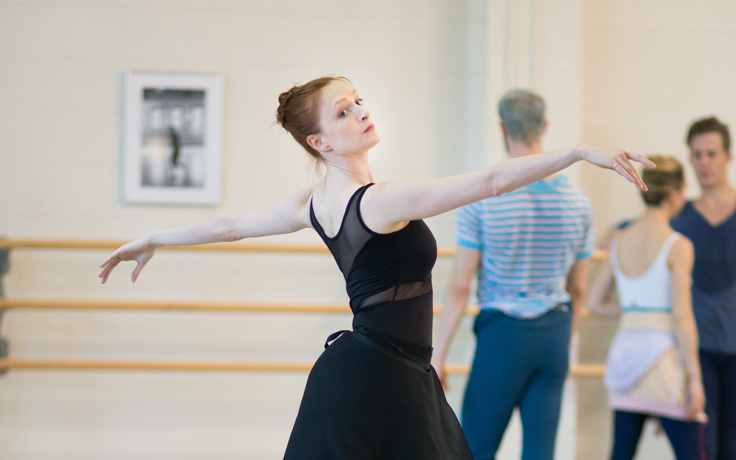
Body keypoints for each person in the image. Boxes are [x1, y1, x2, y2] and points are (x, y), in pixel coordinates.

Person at [98, 77, 652, 460]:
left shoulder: (313, 203)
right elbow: (489, 183)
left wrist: (154, 238)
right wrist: (577, 152)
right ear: (319, 141)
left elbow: (229, 227)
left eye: (358, 100)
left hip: (379, 367)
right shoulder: (382, 201)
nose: (361, 111)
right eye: (343, 111)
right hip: (383, 372)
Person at [432, 89, 597, 460]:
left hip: (502, 335)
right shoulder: (579, 204)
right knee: (540, 453)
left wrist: (438, 355)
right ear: (545, 127)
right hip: (554, 335)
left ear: (502, 128)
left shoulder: (481, 198)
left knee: (474, 449)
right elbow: (579, 289)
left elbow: (460, 287)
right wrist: (565, 343)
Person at [587, 155, 707, 460]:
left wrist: (635, 314)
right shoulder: (678, 245)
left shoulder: (619, 240)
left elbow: (594, 302)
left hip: (625, 359)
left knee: (621, 453)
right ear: (675, 195)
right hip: (664, 361)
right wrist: (695, 378)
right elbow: (682, 315)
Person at [671, 116, 736, 460]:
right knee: (703, 450)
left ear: (728, 156)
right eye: (697, 155)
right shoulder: (680, 218)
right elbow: (635, 230)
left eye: (712, 154)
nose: (704, 163)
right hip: (700, 354)